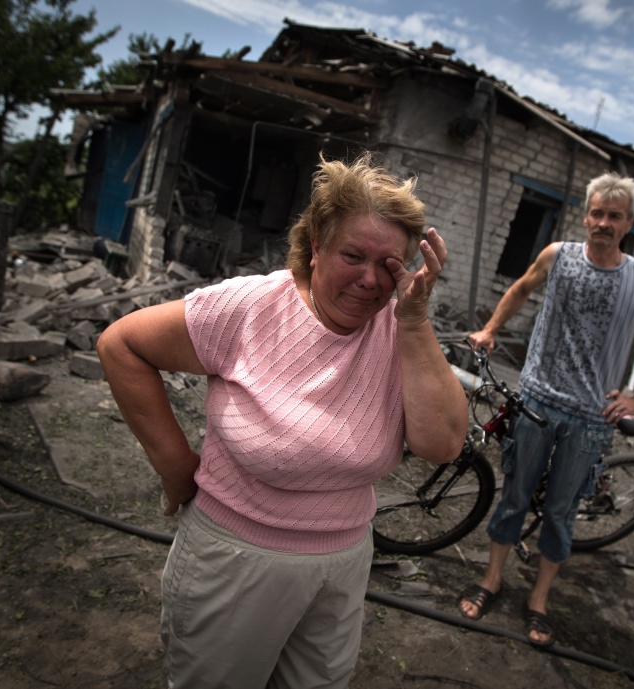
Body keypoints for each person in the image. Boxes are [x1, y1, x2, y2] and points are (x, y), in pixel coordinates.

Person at [97, 153, 467, 689]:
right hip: (234, 560)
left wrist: (413, 321)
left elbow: (442, 444)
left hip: (344, 560)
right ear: (316, 245)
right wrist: (177, 467)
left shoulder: (401, 325)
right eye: (352, 255)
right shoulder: (250, 308)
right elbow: (121, 344)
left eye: (389, 264)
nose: (370, 279)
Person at [458, 171, 634, 647]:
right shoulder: (557, 255)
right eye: (597, 213)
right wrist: (491, 328)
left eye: (614, 216)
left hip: (588, 418)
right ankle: (492, 579)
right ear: (586, 215)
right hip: (538, 401)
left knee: (561, 511)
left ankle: (539, 600)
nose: (603, 222)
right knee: (515, 497)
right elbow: (521, 288)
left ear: (627, 224)